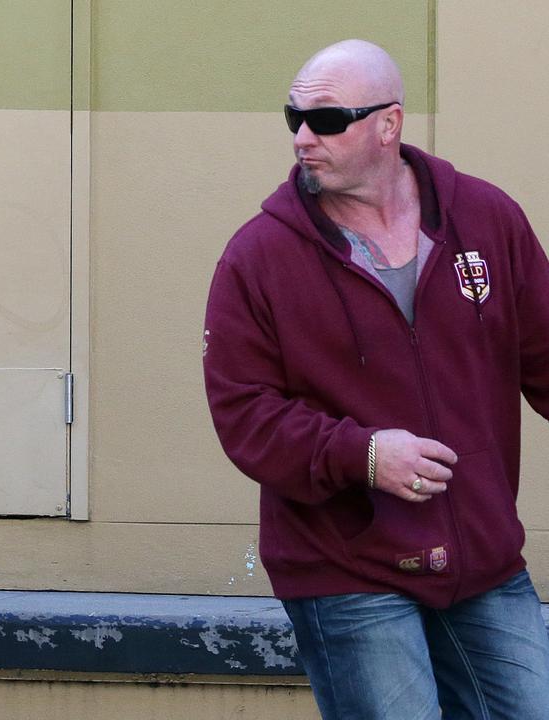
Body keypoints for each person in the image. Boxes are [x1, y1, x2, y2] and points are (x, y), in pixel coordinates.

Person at [203, 39, 549, 718]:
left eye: (326, 121)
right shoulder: (257, 257)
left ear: (387, 125)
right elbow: (244, 415)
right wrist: (361, 454)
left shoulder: (485, 220)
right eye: (293, 118)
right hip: (344, 566)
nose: (303, 138)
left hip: (481, 556)